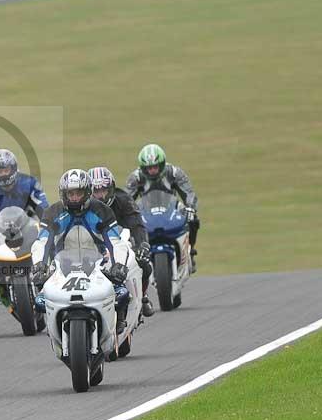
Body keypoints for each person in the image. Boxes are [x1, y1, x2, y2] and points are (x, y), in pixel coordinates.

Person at [32, 169, 131, 333]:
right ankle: (53, 325)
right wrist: (39, 265)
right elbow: (41, 242)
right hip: (61, 265)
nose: (74, 198)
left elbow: (115, 242)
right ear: (63, 194)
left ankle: (119, 319)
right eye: (70, 194)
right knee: (41, 296)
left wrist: (118, 264)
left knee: (121, 291)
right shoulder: (52, 213)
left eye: (79, 193)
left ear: (88, 192)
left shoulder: (102, 211)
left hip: (99, 263)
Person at [0, 149, 49, 302]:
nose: (4, 174)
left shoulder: (30, 183)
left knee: (47, 240)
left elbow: (44, 208)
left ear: (13, 168)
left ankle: (45, 272)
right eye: (0, 171)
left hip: (27, 222)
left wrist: (49, 226)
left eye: (6, 169)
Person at [89, 166, 154, 317]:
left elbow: (136, 223)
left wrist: (142, 244)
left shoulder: (124, 199)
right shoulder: (84, 206)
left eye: (103, 190)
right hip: (93, 246)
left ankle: (143, 297)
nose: (101, 196)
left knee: (144, 264)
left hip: (123, 243)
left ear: (111, 189)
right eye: (96, 191)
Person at [126, 143, 200, 272]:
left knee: (193, 220)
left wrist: (191, 208)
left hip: (171, 209)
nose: (152, 170)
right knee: (127, 230)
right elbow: (126, 199)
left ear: (162, 164)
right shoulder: (136, 177)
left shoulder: (174, 173)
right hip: (147, 211)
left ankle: (191, 251)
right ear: (143, 167)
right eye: (148, 168)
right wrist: (125, 215)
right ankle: (136, 259)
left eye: (155, 167)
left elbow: (189, 193)